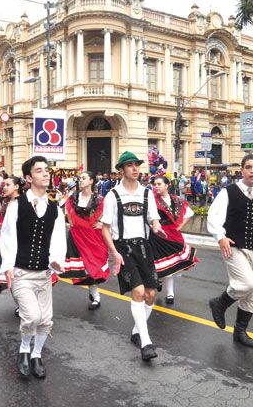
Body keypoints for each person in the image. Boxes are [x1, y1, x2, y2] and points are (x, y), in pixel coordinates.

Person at [0, 156, 67, 379]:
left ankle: (36, 355)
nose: (46, 174)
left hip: (44, 273)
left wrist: (57, 260)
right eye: (39, 171)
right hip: (21, 272)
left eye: (46, 170)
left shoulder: (55, 209)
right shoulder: (17, 205)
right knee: (31, 316)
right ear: (29, 178)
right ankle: (23, 350)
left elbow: (58, 240)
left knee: (46, 319)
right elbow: (7, 236)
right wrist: (7, 267)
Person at [101, 151, 167, 361]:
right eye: (130, 165)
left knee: (150, 295)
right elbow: (105, 228)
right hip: (124, 248)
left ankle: (137, 331)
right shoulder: (113, 194)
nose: (135, 169)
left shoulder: (147, 193)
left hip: (144, 247)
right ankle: (146, 342)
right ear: (121, 170)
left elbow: (153, 219)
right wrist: (114, 252)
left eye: (137, 165)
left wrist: (157, 228)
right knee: (138, 292)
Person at [207, 154, 253, 348]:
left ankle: (240, 330)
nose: (252, 171)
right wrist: (220, 237)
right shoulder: (229, 192)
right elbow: (214, 217)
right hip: (233, 246)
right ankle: (219, 303)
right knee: (245, 283)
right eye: (248, 167)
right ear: (242, 171)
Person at [61, 171, 109, 310]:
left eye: (83, 178)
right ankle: (95, 296)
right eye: (79, 178)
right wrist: (71, 221)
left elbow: (108, 216)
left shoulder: (99, 199)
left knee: (93, 265)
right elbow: (68, 213)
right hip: (77, 236)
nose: (80, 180)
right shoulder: (73, 197)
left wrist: (102, 224)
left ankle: (94, 293)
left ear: (91, 181)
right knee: (84, 266)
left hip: (93, 236)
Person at [151, 176, 198, 305]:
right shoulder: (152, 200)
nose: (156, 186)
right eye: (155, 184)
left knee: (170, 267)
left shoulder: (176, 200)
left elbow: (189, 213)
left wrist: (179, 227)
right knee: (160, 264)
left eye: (159, 184)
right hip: (157, 236)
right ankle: (159, 282)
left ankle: (170, 293)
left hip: (173, 234)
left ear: (166, 185)